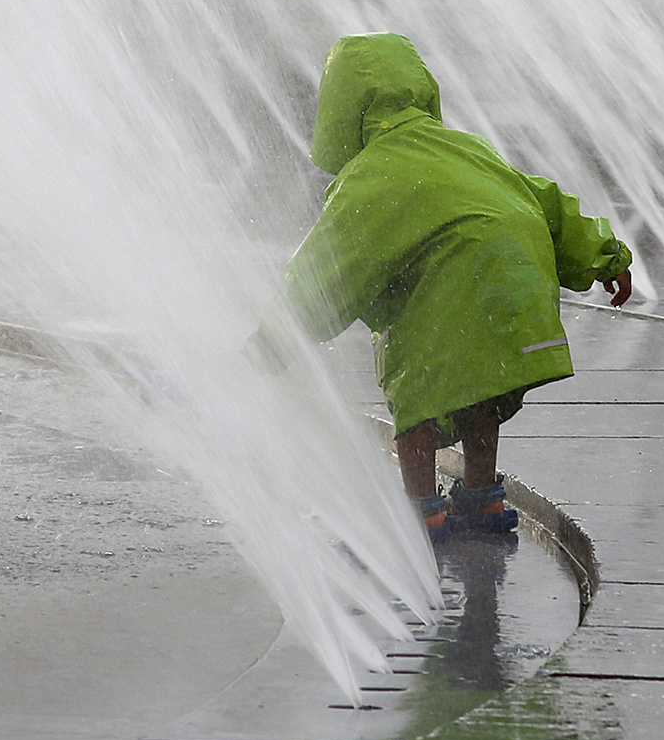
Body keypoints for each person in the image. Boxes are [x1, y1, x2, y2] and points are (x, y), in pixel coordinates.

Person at [249, 32, 632, 545]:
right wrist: (605, 256)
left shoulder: (372, 172)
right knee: (482, 388)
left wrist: (276, 336)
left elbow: (329, 265)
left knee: (417, 392)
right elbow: (542, 199)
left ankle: (422, 511)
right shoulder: (467, 147)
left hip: (453, 284)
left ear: (341, 109)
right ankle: (483, 497)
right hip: (515, 282)